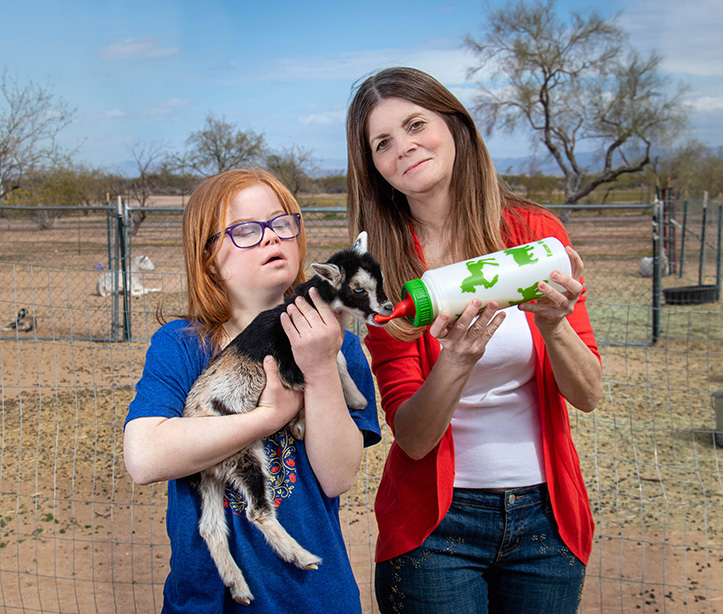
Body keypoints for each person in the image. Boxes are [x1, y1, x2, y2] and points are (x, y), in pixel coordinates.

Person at [345, 67, 602, 614]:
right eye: (382, 143)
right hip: (436, 531)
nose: (403, 147)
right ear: (374, 168)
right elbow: (413, 438)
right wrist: (457, 359)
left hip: (547, 523)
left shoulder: (535, 234)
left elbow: (588, 394)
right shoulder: (382, 277)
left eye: (416, 124)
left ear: (455, 126)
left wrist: (554, 325)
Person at [123, 168, 381, 613]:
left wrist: (322, 365)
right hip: (207, 603)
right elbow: (145, 458)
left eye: (282, 223)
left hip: (315, 600)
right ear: (208, 257)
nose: (271, 237)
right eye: (245, 230)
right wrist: (268, 418)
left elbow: (338, 476)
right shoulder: (183, 345)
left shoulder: (338, 346)